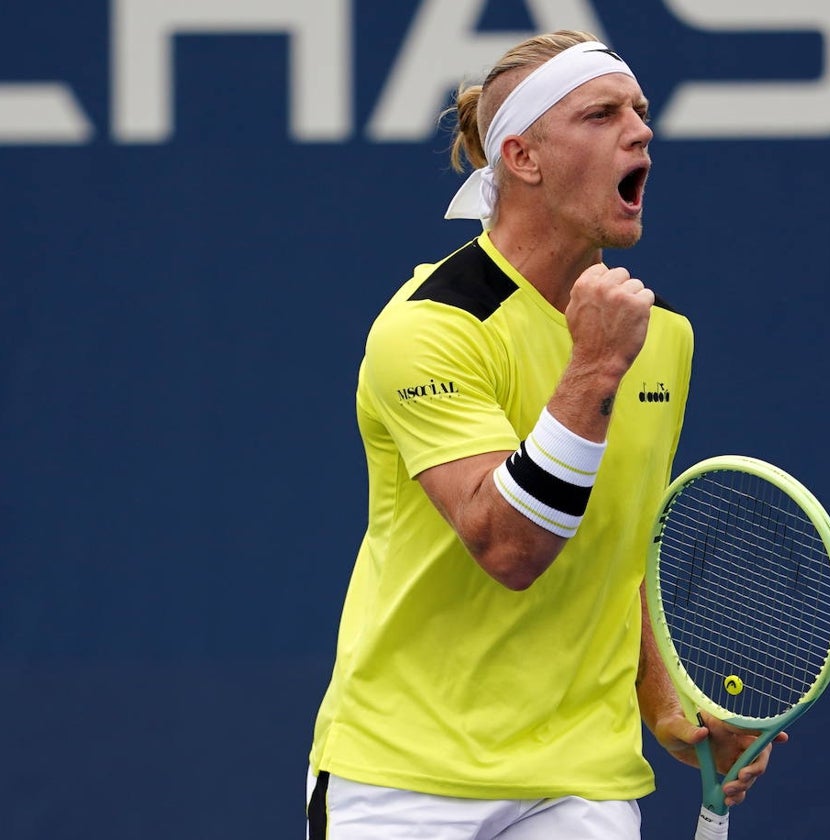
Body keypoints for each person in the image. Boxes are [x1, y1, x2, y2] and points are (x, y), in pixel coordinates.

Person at [306, 30, 785, 839]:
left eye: (640, 111)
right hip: (403, 777)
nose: (641, 131)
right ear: (523, 158)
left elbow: (620, 549)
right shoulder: (431, 331)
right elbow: (510, 549)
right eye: (602, 114)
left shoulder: (662, 338)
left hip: (580, 781)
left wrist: (663, 701)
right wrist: (594, 366)